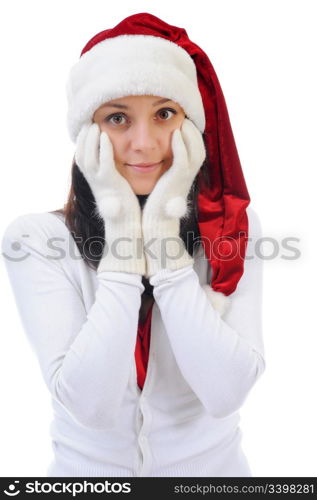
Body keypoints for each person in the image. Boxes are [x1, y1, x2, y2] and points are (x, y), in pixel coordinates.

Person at [1, 12, 266, 477]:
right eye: (117, 117)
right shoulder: (37, 239)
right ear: (86, 133)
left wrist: (165, 247)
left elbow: (225, 394)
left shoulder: (233, 232)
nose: (143, 144)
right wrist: (124, 233)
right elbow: (89, 405)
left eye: (165, 114)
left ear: (192, 129)